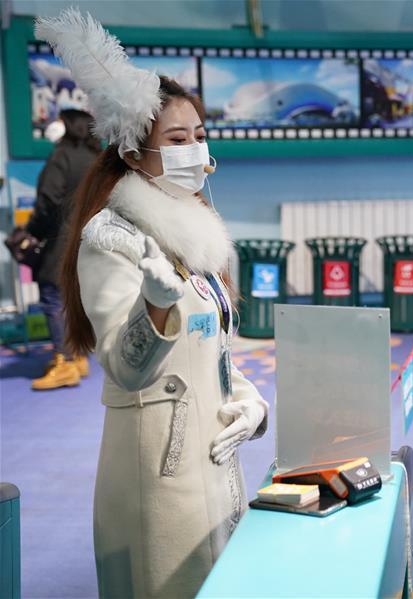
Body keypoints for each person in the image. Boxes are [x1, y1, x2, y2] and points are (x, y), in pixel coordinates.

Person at [37, 10, 268, 597]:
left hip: (215, 459)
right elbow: (124, 365)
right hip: (159, 470)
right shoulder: (112, 236)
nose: (195, 149)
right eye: (176, 139)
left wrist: (250, 403)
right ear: (135, 153)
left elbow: (212, 351)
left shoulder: (197, 233)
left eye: (199, 135)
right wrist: (156, 307)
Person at [27, 108, 99, 390]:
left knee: (52, 296)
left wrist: (33, 231)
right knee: (76, 299)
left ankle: (65, 363)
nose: (52, 123)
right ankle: (78, 356)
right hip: (92, 241)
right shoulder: (97, 158)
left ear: (69, 125)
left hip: (62, 239)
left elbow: (48, 202)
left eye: (58, 119)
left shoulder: (61, 156)